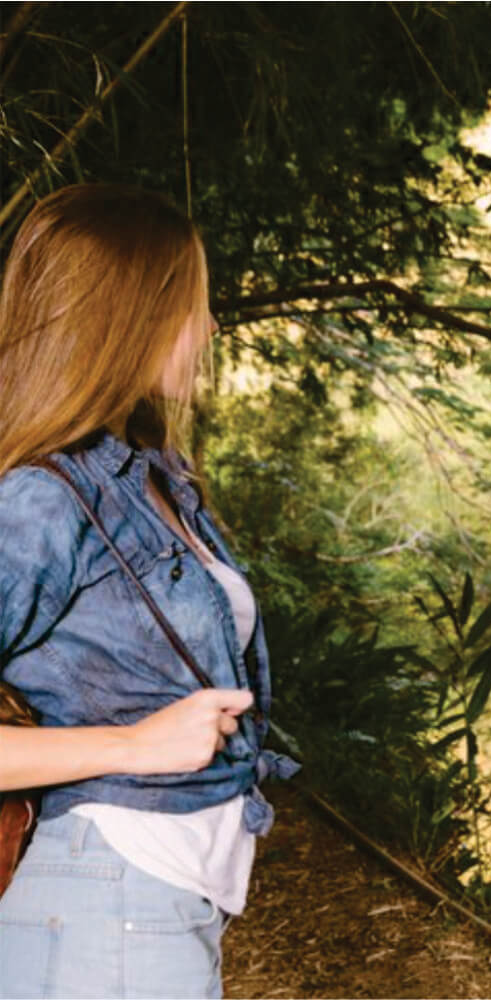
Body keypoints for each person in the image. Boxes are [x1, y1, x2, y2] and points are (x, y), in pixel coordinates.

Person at [0, 184, 298, 999]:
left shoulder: (148, 479)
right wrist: (132, 746)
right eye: (191, 306)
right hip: (109, 908)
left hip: (151, 909)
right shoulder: (42, 499)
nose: (207, 329)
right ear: (123, 314)